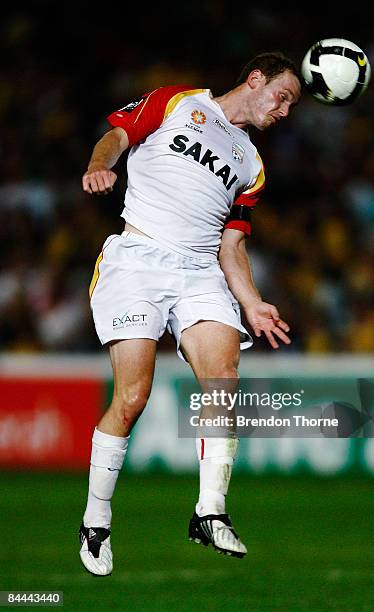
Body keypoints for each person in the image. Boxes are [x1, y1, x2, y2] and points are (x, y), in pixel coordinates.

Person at [79, 51, 302, 576]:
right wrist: (98, 166)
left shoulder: (252, 166)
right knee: (132, 397)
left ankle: (210, 511)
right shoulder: (177, 101)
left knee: (223, 379)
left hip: (201, 269)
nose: (285, 110)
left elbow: (233, 246)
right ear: (255, 80)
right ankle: (96, 518)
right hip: (139, 257)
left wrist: (253, 304)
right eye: (283, 96)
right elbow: (117, 136)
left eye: (291, 103)